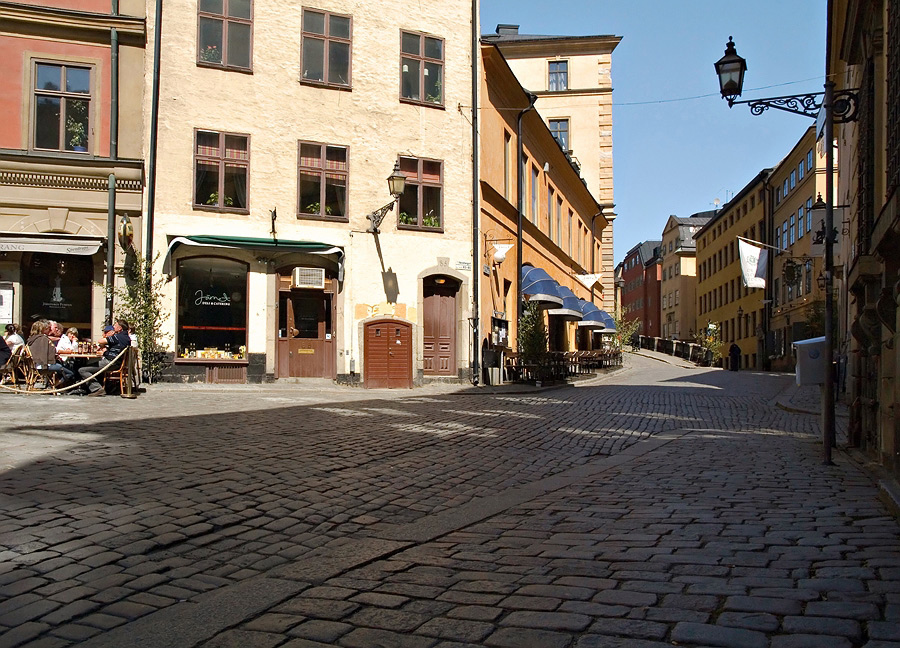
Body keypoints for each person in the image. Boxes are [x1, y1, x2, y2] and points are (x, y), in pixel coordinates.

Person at [78, 324, 131, 396]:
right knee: (89, 366)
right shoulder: (125, 337)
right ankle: (95, 387)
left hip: (111, 363)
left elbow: (100, 341)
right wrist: (106, 352)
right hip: (116, 362)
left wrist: (105, 350)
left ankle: (97, 389)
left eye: (115, 326)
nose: (114, 327)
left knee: (82, 370)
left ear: (120, 328)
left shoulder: (118, 337)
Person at [27, 320, 75, 385]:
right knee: (70, 372)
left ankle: (52, 384)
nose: (49, 330)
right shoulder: (43, 339)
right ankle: (56, 385)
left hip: (35, 365)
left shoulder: (32, 339)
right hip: (44, 365)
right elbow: (52, 350)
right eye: (47, 329)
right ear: (43, 329)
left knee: (61, 365)